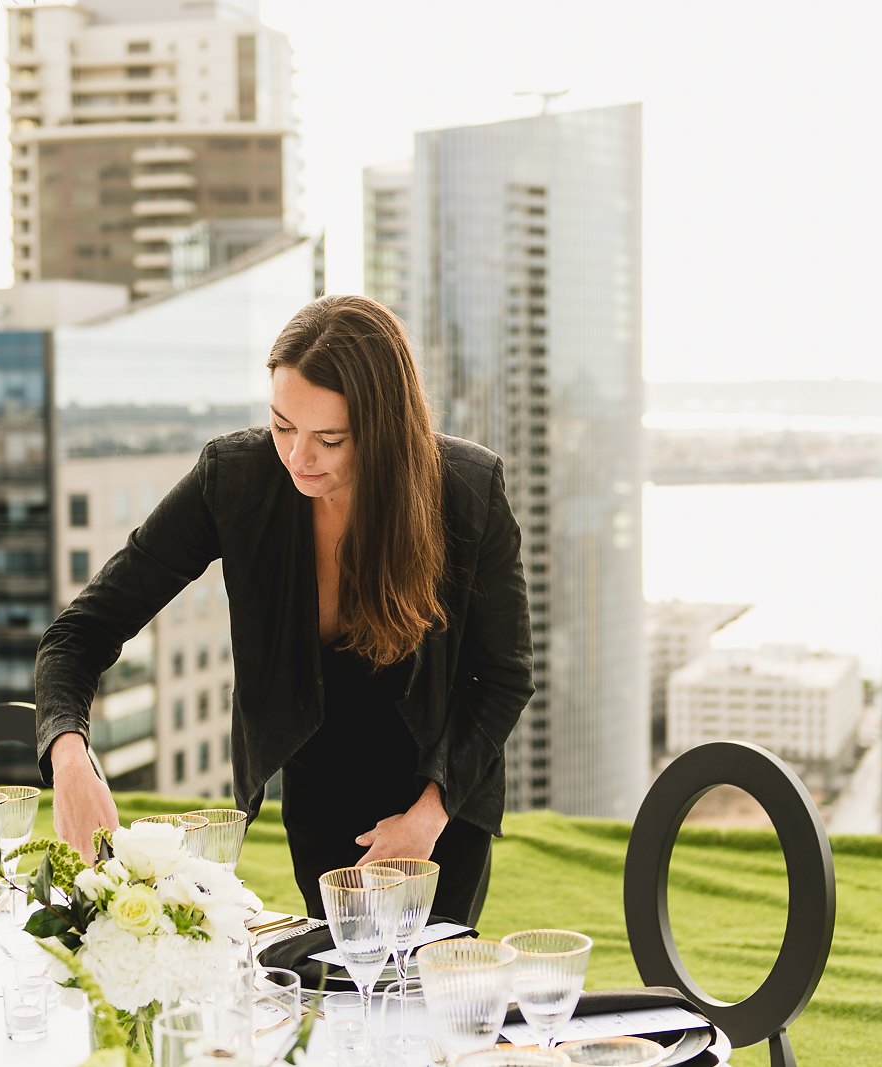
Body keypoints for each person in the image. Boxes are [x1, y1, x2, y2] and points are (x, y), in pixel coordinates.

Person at [33, 294, 533, 924]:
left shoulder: (466, 490)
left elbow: (505, 678)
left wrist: (428, 815)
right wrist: (70, 758)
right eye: (282, 426)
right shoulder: (234, 480)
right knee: (336, 998)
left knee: (423, 1003)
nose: (299, 458)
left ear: (382, 430)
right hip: (318, 796)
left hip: (440, 807)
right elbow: (80, 632)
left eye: (329, 438)